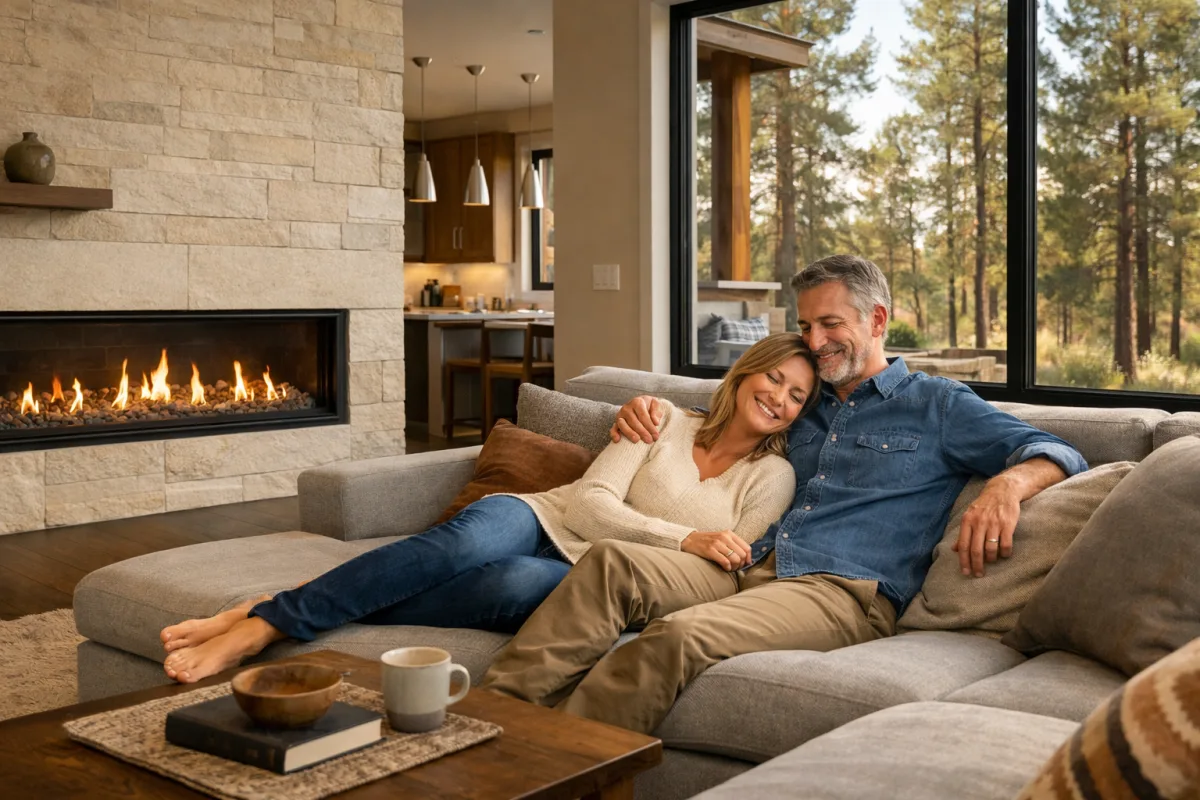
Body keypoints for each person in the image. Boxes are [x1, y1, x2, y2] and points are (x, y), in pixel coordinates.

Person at [479, 254, 1088, 734]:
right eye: (804, 325)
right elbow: (734, 410)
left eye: (831, 324)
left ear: (877, 321)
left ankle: (557, 771)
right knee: (613, 565)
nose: (815, 340)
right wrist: (647, 409)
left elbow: (1056, 450)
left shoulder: (939, 405)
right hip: (748, 565)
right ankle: (484, 728)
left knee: (675, 639)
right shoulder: (805, 399)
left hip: (839, 592)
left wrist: (1008, 484)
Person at [161, 333, 822, 683]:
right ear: (748, 372)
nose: (780, 399)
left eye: (797, 396)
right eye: (775, 379)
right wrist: (682, 538)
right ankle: (268, 624)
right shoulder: (664, 420)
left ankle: (264, 610)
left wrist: (681, 550)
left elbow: (722, 570)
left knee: (504, 585)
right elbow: (590, 505)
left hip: (590, 579)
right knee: (453, 548)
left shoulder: (774, 479)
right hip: (546, 515)